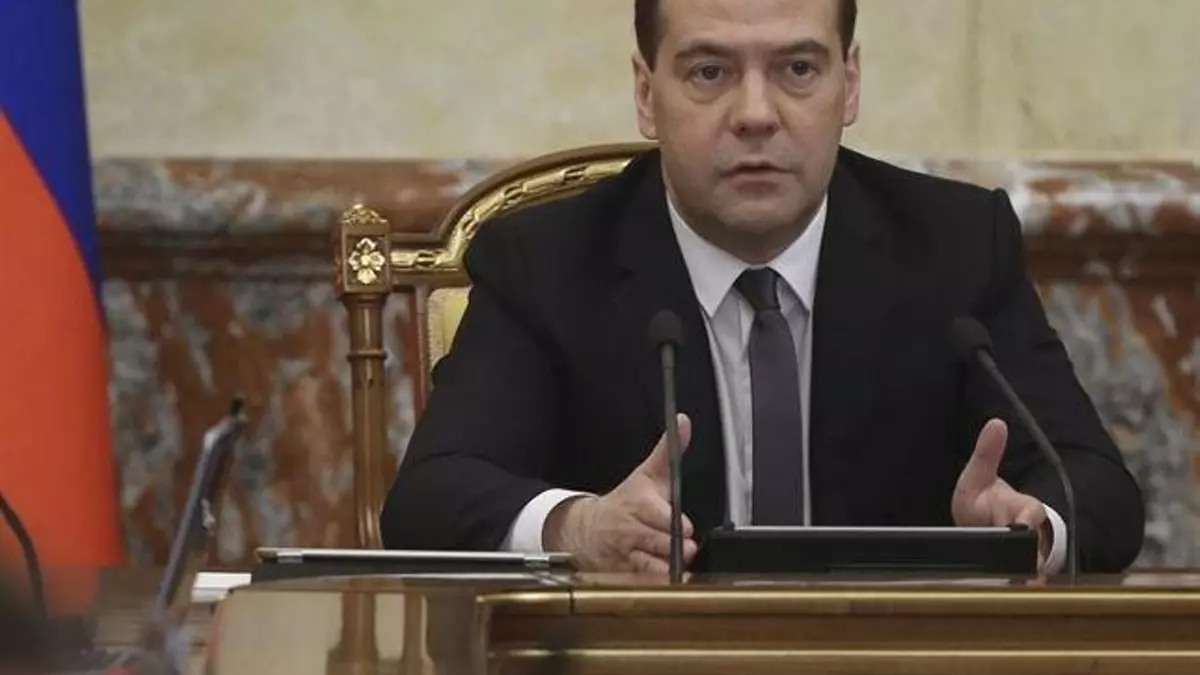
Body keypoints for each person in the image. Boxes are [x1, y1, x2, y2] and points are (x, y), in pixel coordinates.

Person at [380, 0, 1145, 574]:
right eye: (709, 72)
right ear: (646, 94)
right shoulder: (546, 259)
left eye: (798, 69)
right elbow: (432, 495)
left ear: (849, 84)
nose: (755, 115)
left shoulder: (956, 246)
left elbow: (1095, 484)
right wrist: (577, 528)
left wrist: (1027, 529)